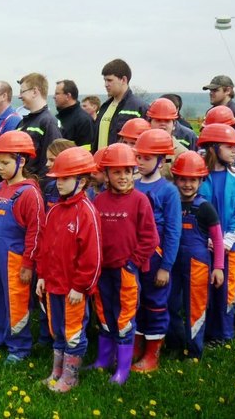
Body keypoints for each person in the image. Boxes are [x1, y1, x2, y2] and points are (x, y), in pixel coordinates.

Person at [90, 143, 158, 385]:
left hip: (125, 271)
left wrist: (132, 264)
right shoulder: (99, 201)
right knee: (104, 314)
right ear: (106, 174)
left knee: (124, 319)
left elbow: (151, 238)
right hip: (102, 271)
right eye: (117, 172)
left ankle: (122, 369)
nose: (123, 177)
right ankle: (104, 360)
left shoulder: (140, 201)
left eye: (127, 171)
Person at [0, 131, 44, 364]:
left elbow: (36, 232)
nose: (0, 168)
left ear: (21, 161)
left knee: (16, 301)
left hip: (14, 259)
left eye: (5, 163)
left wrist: (28, 264)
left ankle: (19, 346)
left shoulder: (29, 193)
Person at [37, 146, 102, 392]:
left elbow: (92, 256)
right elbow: (46, 247)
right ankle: (57, 372)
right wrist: (42, 276)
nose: (59, 183)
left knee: (73, 332)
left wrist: (80, 287)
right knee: (58, 330)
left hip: (73, 290)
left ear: (82, 181)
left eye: (65, 178)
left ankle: (70, 377)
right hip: (53, 285)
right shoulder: (55, 210)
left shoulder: (86, 212)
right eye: (57, 178)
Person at [131, 129, 181, 373]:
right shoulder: (132, 185)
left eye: (147, 158)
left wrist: (166, 267)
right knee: (136, 301)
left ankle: (153, 354)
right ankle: (136, 346)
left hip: (157, 258)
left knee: (155, 303)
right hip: (133, 258)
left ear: (161, 161)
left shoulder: (169, 191)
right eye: (138, 157)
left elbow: (173, 231)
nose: (140, 162)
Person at [167, 151, 225, 359]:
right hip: (172, 264)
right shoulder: (171, 203)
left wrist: (218, 267)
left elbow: (217, 239)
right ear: (175, 179)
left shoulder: (206, 208)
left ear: (201, 181)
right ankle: (175, 343)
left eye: (193, 180)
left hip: (198, 266)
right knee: (169, 304)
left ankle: (194, 351)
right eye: (183, 179)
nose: (187, 184)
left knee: (196, 308)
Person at [198, 123, 235, 345]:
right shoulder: (199, 176)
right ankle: (204, 332)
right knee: (204, 289)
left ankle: (223, 334)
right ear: (213, 148)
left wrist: (227, 240)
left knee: (226, 290)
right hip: (203, 244)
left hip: (231, 246)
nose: (234, 151)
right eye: (229, 147)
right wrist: (206, 238)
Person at [92, 59, 149, 152]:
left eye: (109, 80)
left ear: (123, 80)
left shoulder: (139, 108)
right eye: (105, 80)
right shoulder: (104, 108)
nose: (106, 84)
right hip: (101, 160)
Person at [16, 73, 62, 183]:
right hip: (22, 186)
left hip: (36, 186)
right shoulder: (23, 123)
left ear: (35, 92)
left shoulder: (48, 122)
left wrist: (39, 188)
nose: (19, 96)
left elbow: (52, 162)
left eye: (22, 91)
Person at [145, 98, 188, 179]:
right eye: (158, 120)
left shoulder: (182, 154)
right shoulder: (140, 147)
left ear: (174, 125)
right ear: (149, 123)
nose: (162, 124)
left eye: (167, 121)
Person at [54, 79, 95, 150]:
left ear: (68, 96)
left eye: (57, 94)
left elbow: (85, 151)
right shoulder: (58, 118)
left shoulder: (84, 120)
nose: (54, 97)